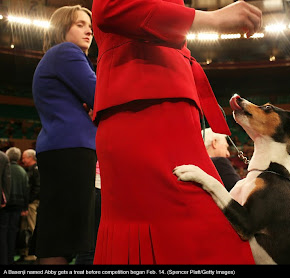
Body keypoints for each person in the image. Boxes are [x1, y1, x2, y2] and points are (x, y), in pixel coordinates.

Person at [91, 0, 262, 264]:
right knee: (209, 232)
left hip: (162, 107)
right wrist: (213, 18)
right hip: (145, 108)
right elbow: (111, 8)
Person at [32, 5, 97, 264]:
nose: (89, 30)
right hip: (71, 149)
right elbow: (99, 95)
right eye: (79, 24)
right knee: (62, 239)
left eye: (89, 26)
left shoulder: (56, 57)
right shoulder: (66, 52)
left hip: (61, 148)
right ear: (62, 28)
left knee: (59, 235)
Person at [0, 147, 29, 264]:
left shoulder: (5, 166)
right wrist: (25, 207)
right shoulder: (22, 171)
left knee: (2, 233)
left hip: (5, 205)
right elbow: (26, 189)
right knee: (13, 233)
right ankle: (10, 259)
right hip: (18, 206)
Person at [19, 149, 40, 262]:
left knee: (32, 227)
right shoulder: (29, 170)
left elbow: (36, 188)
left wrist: (29, 202)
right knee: (25, 227)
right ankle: (25, 252)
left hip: (32, 203)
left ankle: (33, 254)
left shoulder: (36, 170)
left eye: (24, 157)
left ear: (31, 157)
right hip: (28, 203)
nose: (22, 160)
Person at [0, 150, 11, 264]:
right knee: (2, 236)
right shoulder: (3, 157)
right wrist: (5, 200)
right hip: (1, 204)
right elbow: (7, 181)